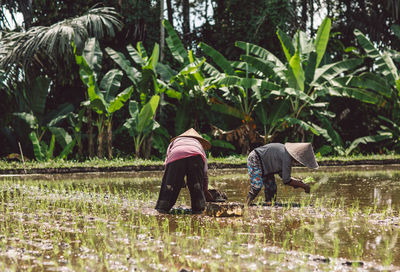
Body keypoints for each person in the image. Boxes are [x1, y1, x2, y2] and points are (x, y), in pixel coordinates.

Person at [155, 128, 216, 214]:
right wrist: (205, 190)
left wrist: (176, 179)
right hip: (196, 157)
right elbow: (204, 173)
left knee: (168, 186)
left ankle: (163, 208)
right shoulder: (198, 145)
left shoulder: (174, 143)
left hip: (176, 155)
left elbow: (167, 164)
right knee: (196, 186)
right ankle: (198, 209)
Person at [245, 142, 319, 205]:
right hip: (255, 158)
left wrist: (297, 182)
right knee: (257, 186)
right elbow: (286, 180)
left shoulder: (286, 154)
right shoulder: (287, 157)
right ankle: (246, 205)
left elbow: (283, 175)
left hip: (267, 165)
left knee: (272, 187)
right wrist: (304, 186)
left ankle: (269, 204)